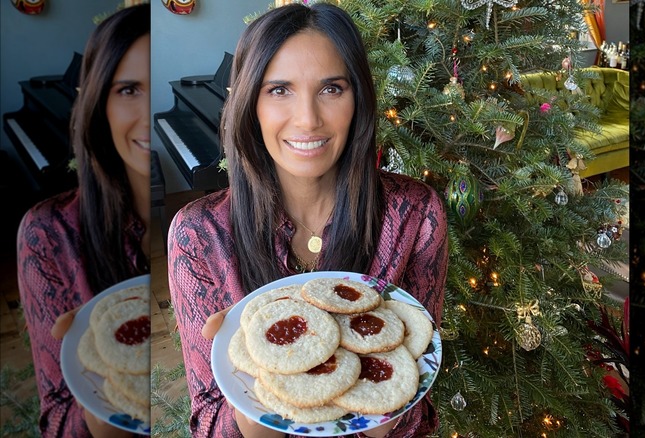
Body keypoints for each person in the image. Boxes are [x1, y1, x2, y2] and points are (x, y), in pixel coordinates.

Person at [168, 3, 448, 438]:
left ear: (358, 98)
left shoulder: (415, 214)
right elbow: (207, 421)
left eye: (331, 89)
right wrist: (255, 399)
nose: (307, 119)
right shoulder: (199, 235)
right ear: (249, 103)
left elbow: (419, 395)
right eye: (279, 89)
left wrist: (385, 415)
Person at [16, 3, 150, 437]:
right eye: (129, 89)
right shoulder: (48, 236)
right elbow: (56, 422)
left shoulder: (207, 232)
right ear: (97, 104)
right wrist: (103, 410)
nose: (146, 115)